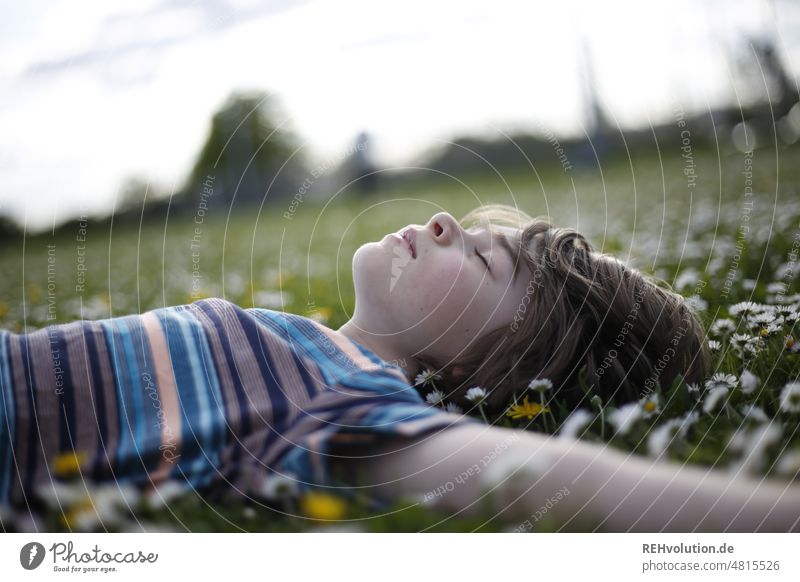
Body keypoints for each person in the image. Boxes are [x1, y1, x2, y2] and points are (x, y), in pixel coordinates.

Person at [0, 204, 797, 532]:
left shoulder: (345, 403)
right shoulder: (311, 349)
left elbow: (543, 473)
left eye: (486, 261)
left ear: (492, 374)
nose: (450, 220)